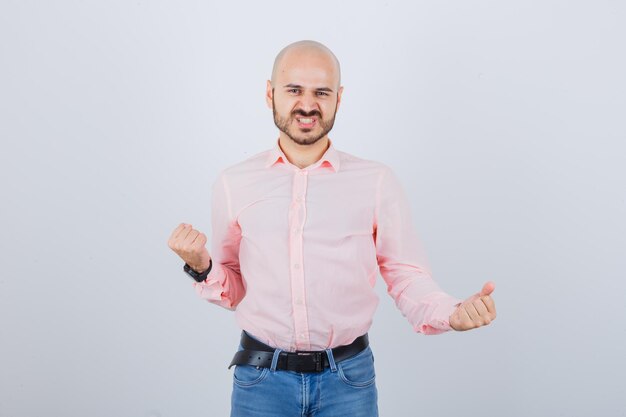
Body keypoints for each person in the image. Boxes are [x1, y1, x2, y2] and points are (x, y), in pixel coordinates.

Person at [167, 39, 497, 417]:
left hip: (348, 381)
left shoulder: (376, 181)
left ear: (338, 99)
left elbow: (406, 275)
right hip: (260, 381)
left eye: (321, 92)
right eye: (294, 90)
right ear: (270, 94)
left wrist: (451, 311)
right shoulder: (233, 183)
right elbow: (235, 287)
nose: (307, 105)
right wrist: (202, 266)